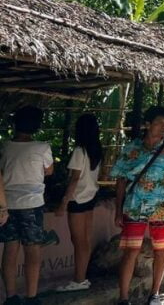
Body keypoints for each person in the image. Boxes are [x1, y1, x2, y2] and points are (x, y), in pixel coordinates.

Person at [111, 106, 164, 305]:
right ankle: (123, 297)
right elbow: (120, 180)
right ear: (147, 124)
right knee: (130, 251)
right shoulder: (132, 148)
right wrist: (118, 210)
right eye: (160, 123)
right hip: (135, 206)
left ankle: (155, 294)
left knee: (161, 251)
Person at [0, 106, 54, 305]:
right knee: (32, 250)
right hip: (32, 204)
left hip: (8, 204)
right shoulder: (42, 147)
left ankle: (11, 297)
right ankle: (32, 297)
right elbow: (49, 171)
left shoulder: (5, 146)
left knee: (10, 249)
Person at [54, 114, 104, 293]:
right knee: (85, 240)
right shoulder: (96, 149)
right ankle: (82, 277)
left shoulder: (79, 151)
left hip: (77, 199)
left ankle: (79, 279)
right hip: (90, 197)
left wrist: (63, 202)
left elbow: (74, 179)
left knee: (78, 241)